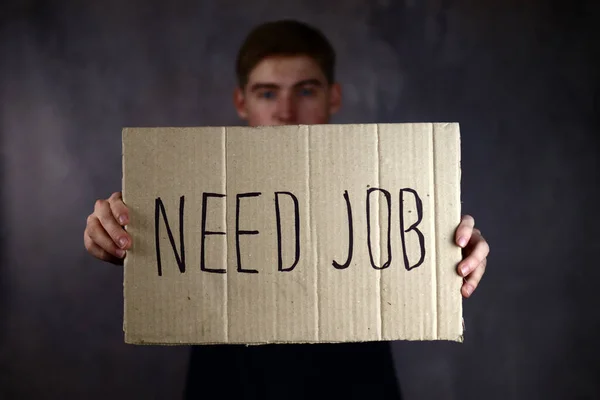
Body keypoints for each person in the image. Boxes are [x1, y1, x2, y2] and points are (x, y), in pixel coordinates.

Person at [84, 20, 490, 399]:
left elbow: (422, 253)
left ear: (334, 97)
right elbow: (154, 239)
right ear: (241, 102)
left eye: (306, 90)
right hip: (229, 381)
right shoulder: (191, 185)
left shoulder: (384, 179)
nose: (286, 112)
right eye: (267, 92)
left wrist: (451, 251)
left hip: (356, 381)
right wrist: (123, 234)